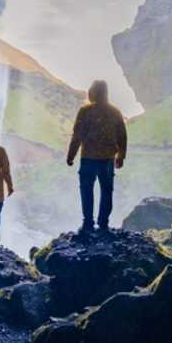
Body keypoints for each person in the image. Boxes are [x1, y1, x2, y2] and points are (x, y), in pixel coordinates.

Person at [66, 80, 127, 232]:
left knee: (86, 190)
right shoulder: (115, 112)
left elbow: (77, 136)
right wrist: (121, 155)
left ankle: (88, 223)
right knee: (107, 191)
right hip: (108, 159)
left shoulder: (85, 111)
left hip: (88, 158)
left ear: (93, 92)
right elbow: (122, 137)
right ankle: (103, 223)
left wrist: (71, 155)